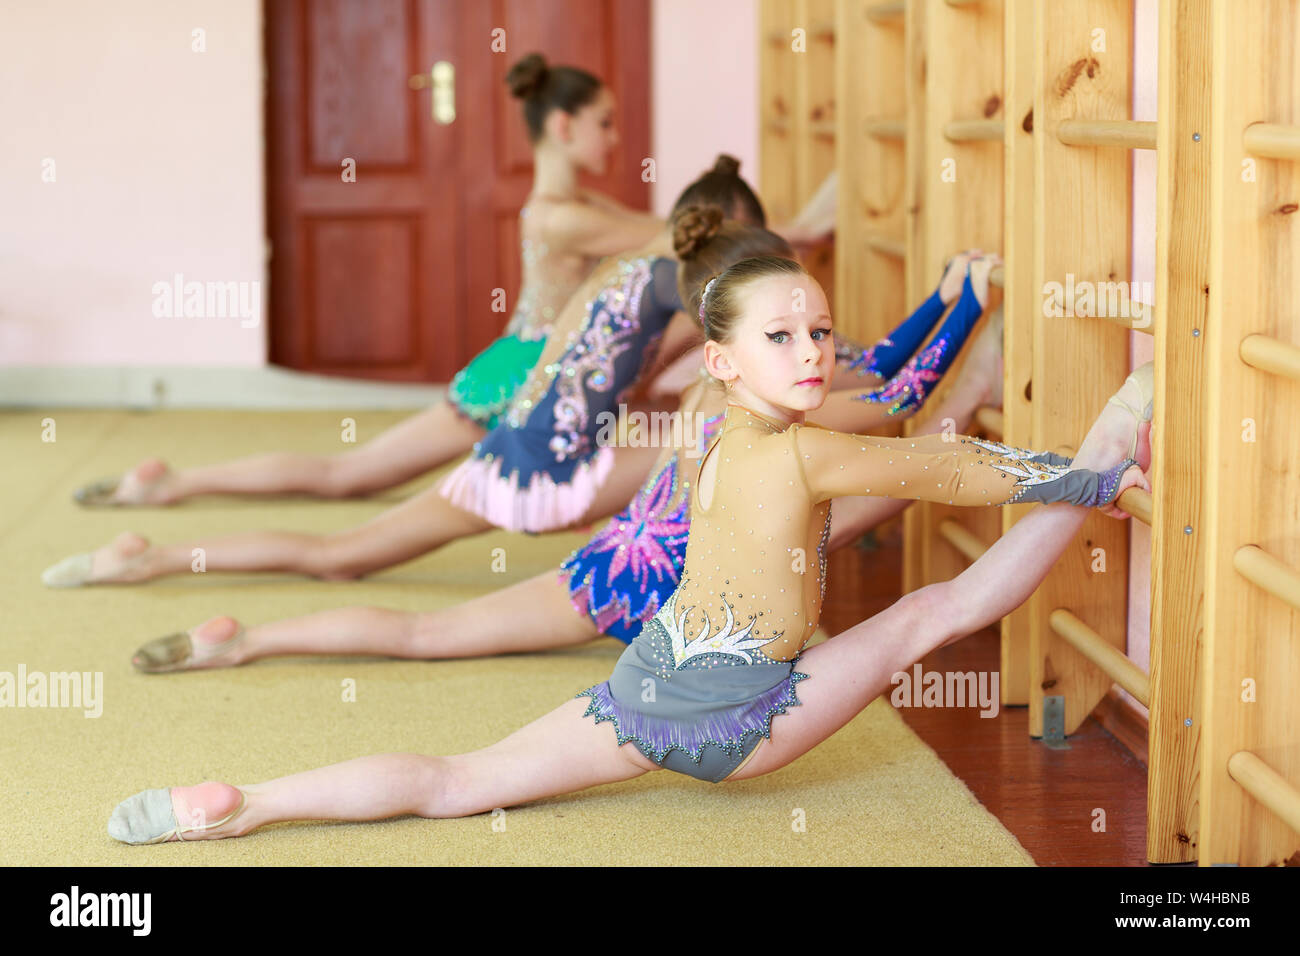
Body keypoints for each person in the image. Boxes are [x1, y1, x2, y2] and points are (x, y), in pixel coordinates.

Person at [106, 254, 1152, 844]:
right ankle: (1115, 434)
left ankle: (249, 802)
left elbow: (891, 408)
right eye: (784, 339)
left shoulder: (708, 413)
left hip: (640, 690)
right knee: (931, 611)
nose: (813, 354)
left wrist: (943, 311)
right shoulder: (814, 455)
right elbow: (951, 467)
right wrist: (1090, 474)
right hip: (746, 718)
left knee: (455, 776)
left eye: (819, 335)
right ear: (726, 357)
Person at [41, 176, 777, 587]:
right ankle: (161, 551)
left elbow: (619, 368)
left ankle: (161, 542)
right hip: (538, 463)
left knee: (342, 537)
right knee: (342, 535)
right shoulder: (657, 279)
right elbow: (737, 337)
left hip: (523, 444)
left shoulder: (626, 266)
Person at [71, 53, 663, 509]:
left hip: (535, 367)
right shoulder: (565, 217)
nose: (614, 138)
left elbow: (660, 232)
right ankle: (177, 482)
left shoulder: (579, 203)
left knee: (352, 473)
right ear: (563, 124)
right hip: (516, 374)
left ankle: (177, 482)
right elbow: (668, 235)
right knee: (349, 476)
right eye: (605, 123)